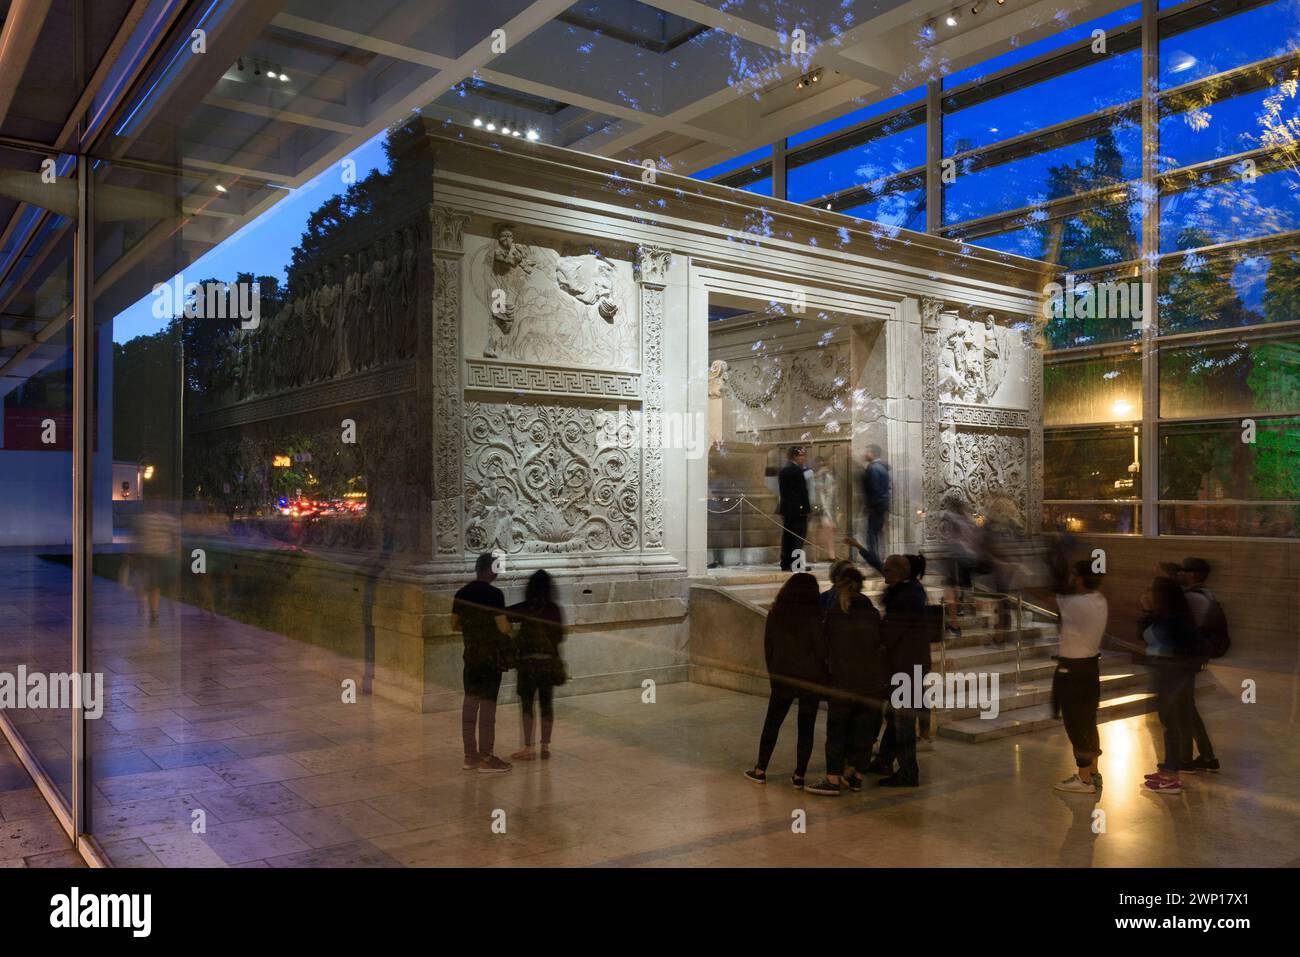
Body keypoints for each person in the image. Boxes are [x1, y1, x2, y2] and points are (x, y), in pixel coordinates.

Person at [807, 566, 885, 796]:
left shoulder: (833, 615)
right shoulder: (872, 614)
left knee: (837, 731)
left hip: (843, 682)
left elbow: (823, 650)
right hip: (871, 683)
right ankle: (857, 777)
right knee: (863, 731)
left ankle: (833, 778)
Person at [745, 573, 826, 789]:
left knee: (772, 723)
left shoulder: (776, 614)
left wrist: (774, 676)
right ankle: (799, 775)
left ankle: (761, 769)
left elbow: (768, 649)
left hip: (783, 677)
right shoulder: (816, 617)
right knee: (806, 728)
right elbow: (820, 650)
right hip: (809, 679)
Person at [1139, 576, 1202, 794]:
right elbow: (1144, 635)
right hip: (1165, 671)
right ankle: (1168, 768)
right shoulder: (1164, 616)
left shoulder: (1176, 620)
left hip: (1172, 672)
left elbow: (1186, 647)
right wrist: (1148, 611)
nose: (1148, 595)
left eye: (1153, 591)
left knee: (1170, 723)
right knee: (1167, 722)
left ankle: (1172, 775)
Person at [451, 553, 514, 773]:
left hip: (471, 656)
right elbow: (504, 627)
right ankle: (486, 757)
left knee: (470, 705)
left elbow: (454, 625)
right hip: (490, 658)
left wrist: (472, 629)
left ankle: (470, 756)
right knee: (487, 708)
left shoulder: (462, 593)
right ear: (492, 570)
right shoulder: (494, 595)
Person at [1051, 559, 1108, 794]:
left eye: (1075, 575)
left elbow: (1050, 597)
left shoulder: (1075, 604)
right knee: (1088, 720)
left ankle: (1083, 778)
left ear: (1081, 579)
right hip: (1090, 668)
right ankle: (1093, 771)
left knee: (1075, 723)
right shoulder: (1099, 600)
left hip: (1073, 671)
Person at [878, 554, 928, 787]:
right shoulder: (910, 591)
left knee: (903, 721)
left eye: (887, 570)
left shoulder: (905, 597)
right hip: (910, 663)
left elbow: (893, 633)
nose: (883, 573)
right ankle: (884, 760)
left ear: (898, 573)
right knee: (894, 716)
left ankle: (909, 771)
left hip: (905, 666)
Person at [508, 569, 566, 762]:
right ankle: (545, 746)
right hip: (548, 663)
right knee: (546, 705)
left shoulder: (526, 607)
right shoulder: (554, 609)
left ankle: (528, 747)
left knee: (527, 705)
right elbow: (560, 636)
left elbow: (503, 615)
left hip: (528, 663)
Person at [1179, 557, 1224, 773]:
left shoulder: (1192, 598)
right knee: (1188, 708)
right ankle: (1207, 756)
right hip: (1195, 658)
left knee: (1183, 709)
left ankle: (1186, 760)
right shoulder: (1208, 595)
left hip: (1185, 660)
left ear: (1191, 574)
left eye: (1184, 571)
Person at [777, 447, 811, 572]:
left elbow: (782, 492)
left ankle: (785, 563)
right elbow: (803, 492)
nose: (804, 458)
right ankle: (796, 564)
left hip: (787, 510)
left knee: (787, 537)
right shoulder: (797, 471)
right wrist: (806, 509)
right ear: (795, 457)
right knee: (798, 537)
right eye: (801, 456)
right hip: (798, 510)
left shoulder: (783, 471)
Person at [858, 445, 891, 574]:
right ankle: (880, 560)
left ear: (872, 453)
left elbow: (874, 488)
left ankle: (876, 563)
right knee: (877, 533)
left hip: (876, 505)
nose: (866, 454)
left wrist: (870, 506)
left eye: (868, 452)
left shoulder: (873, 468)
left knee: (871, 535)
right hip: (883, 505)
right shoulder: (883, 467)